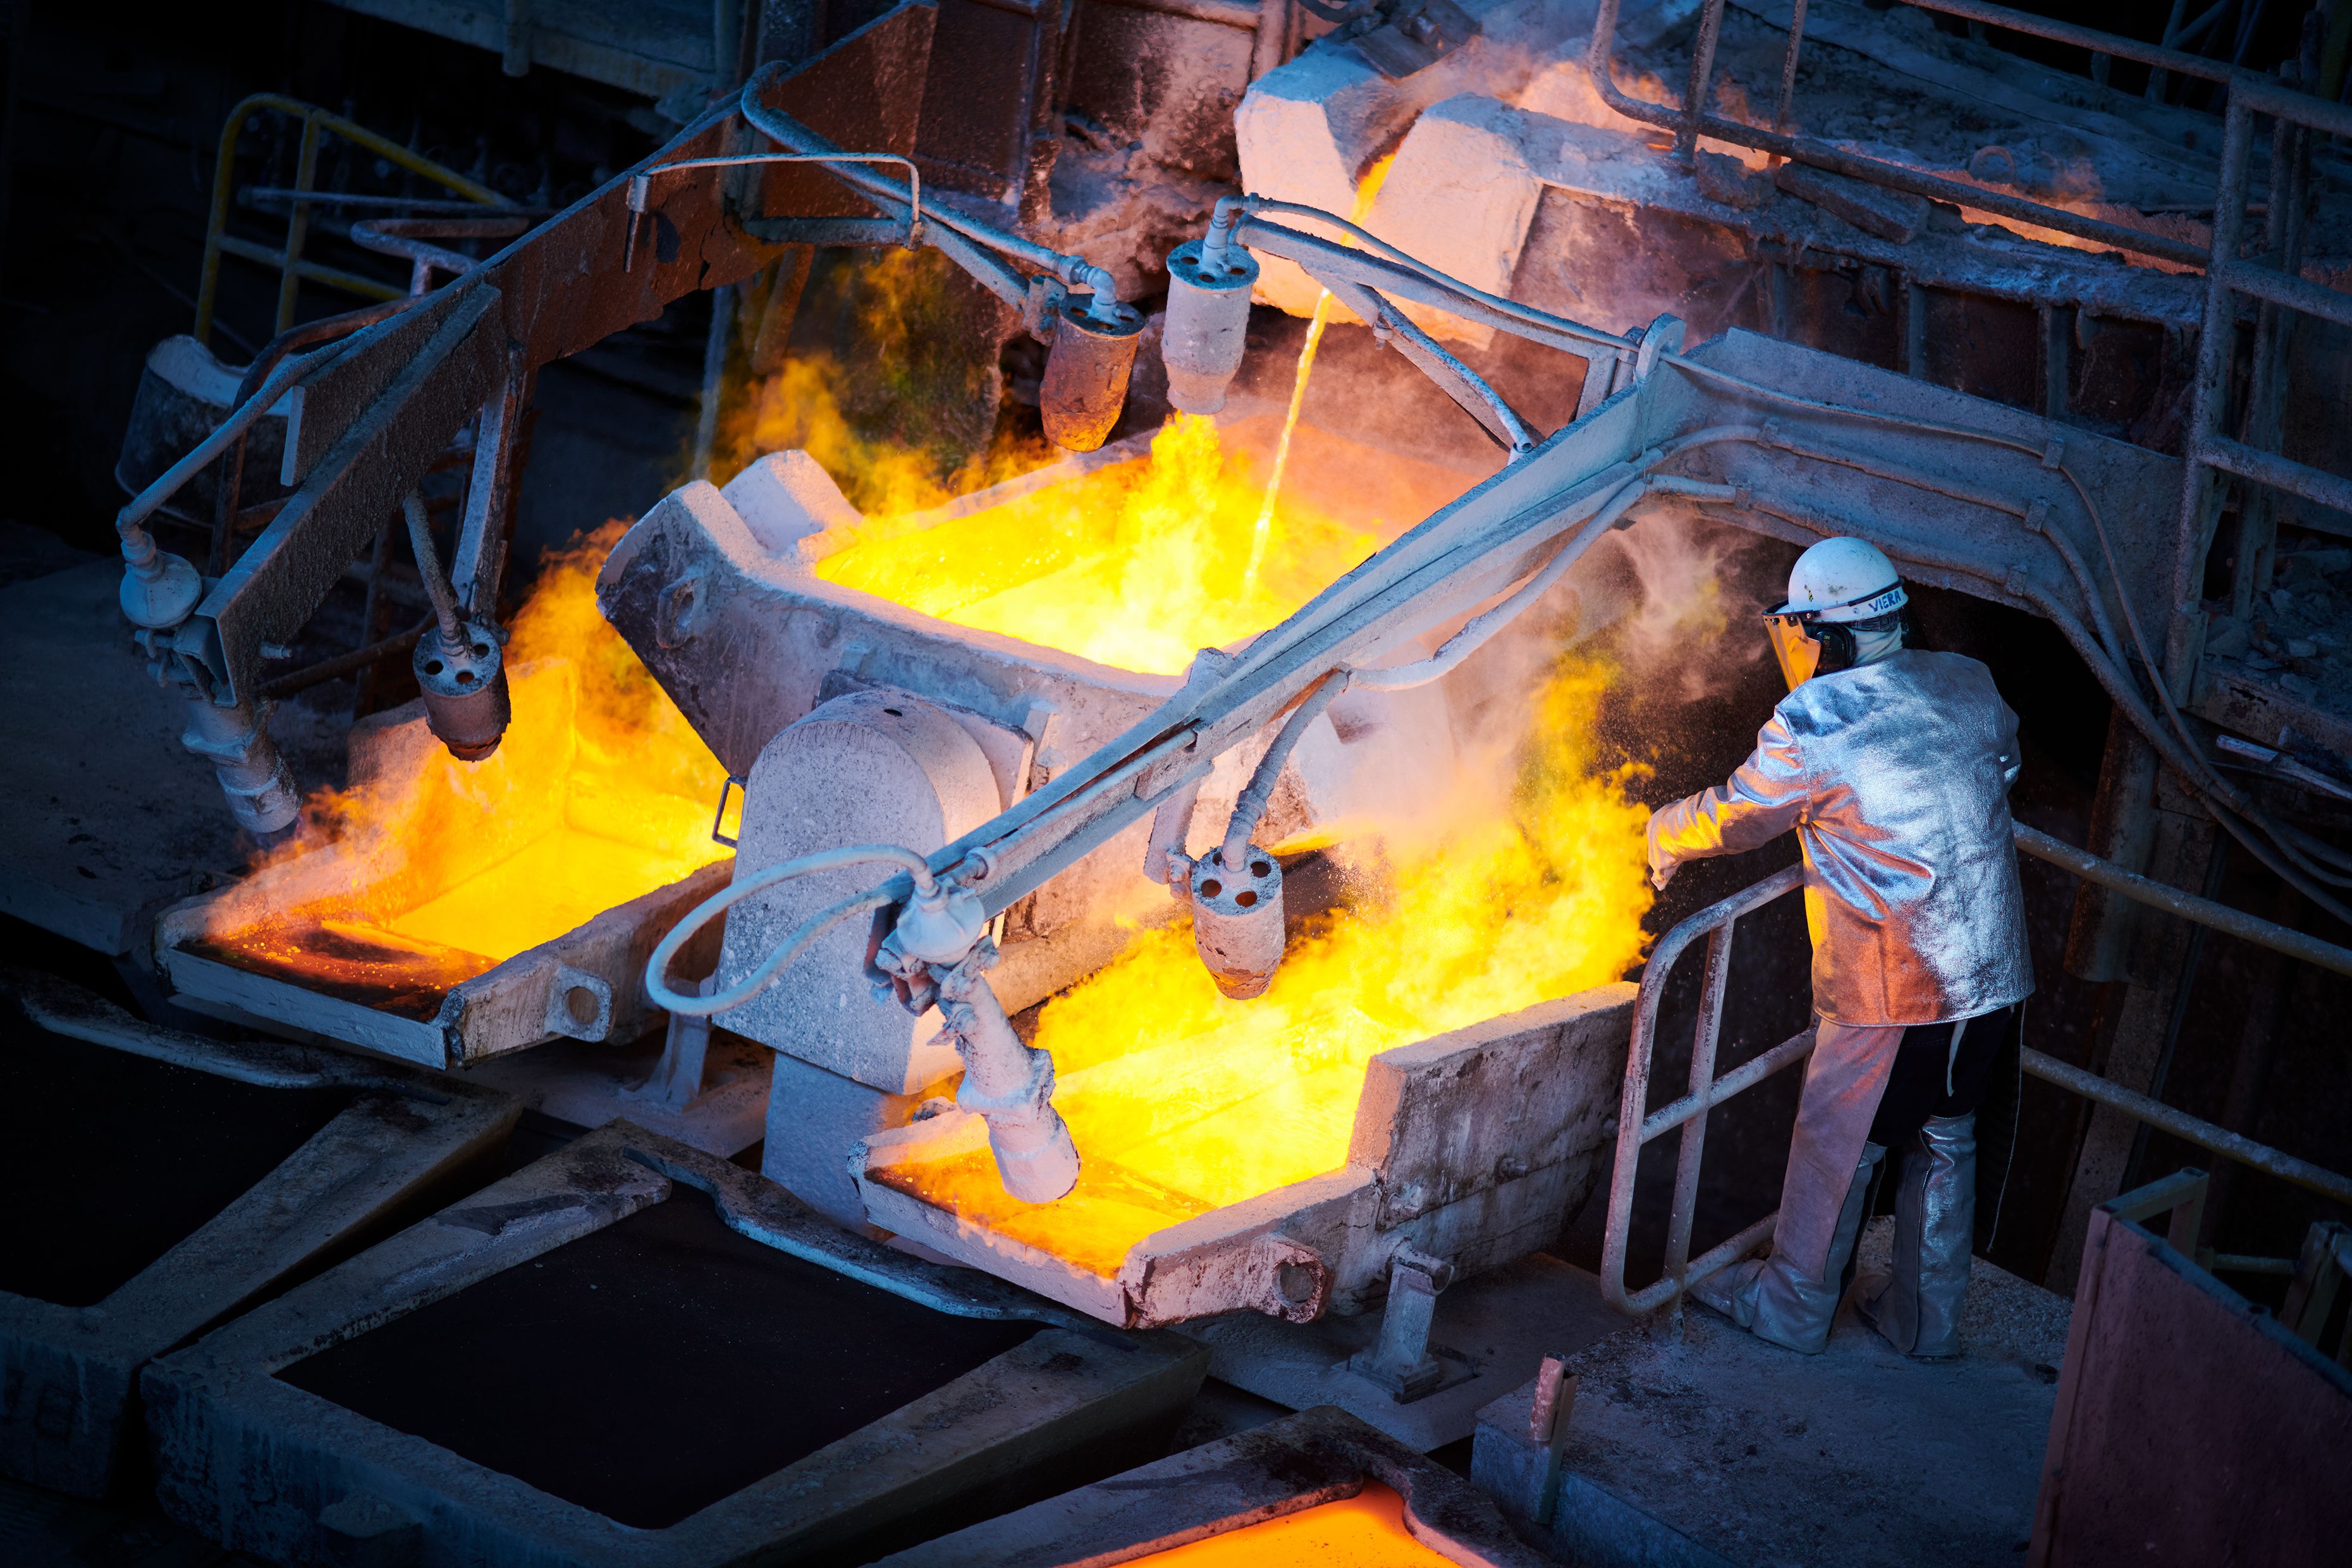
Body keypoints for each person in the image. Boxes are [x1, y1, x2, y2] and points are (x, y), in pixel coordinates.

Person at [1645, 536, 2033, 1358]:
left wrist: (1663, 831)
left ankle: (1790, 1308)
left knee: (1839, 1145)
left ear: (1819, 633)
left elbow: (1739, 816)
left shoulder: (1811, 722)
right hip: (1994, 973)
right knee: (1946, 1134)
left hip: (1893, 986)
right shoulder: (1971, 681)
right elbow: (2000, 767)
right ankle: (1926, 1326)